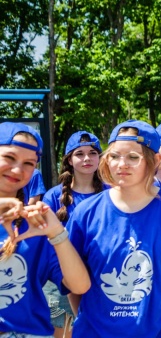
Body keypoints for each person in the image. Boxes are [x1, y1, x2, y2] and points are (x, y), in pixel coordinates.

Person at [66, 120, 161, 338]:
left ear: (156, 160)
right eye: (114, 156)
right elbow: (73, 282)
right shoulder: (85, 213)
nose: (122, 164)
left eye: (133, 157)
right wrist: (92, 321)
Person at [0, 122, 91, 336]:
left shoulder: (33, 226)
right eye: (10, 157)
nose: (18, 170)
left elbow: (79, 286)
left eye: (28, 163)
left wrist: (58, 234)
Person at [42, 130, 106, 337]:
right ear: (70, 160)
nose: (87, 158)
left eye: (93, 153)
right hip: (61, 282)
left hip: (102, 280)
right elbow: (45, 245)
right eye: (80, 153)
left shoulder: (112, 193)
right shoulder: (53, 197)